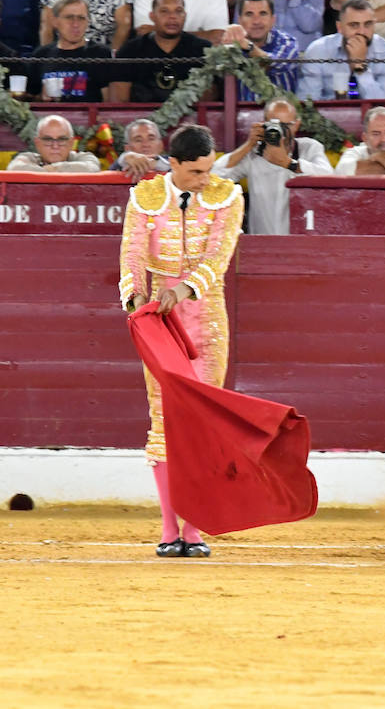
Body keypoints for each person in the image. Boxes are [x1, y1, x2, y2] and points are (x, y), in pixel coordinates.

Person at [119, 123, 245, 558]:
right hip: (161, 323)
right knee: (165, 423)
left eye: (209, 170)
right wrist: (137, 302)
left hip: (206, 319)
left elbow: (218, 258)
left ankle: (193, 531)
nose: (205, 180)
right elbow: (132, 256)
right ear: (173, 164)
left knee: (202, 425)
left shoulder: (228, 196)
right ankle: (169, 530)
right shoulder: (146, 197)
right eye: (195, 172)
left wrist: (184, 289)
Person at [212, 98, 334, 233]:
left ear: (297, 125)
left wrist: (288, 163)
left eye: (285, 125)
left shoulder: (308, 147)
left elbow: (329, 178)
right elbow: (215, 176)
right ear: (264, 124)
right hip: (262, 241)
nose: (279, 131)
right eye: (274, 125)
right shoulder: (254, 154)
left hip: (300, 241)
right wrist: (248, 145)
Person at [114, 0, 212, 103]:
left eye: (178, 11)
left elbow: (209, 100)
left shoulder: (203, 50)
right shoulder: (130, 50)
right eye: (164, 11)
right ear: (152, 16)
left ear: (185, 16)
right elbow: (119, 101)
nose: (172, 17)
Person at [298, 0, 385, 101]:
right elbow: (308, 102)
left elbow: (383, 107)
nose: (362, 32)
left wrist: (360, 66)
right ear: (339, 27)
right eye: (354, 25)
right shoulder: (318, 51)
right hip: (327, 117)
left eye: (368, 24)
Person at [29, 0, 114, 101]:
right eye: (69, 17)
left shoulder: (101, 54)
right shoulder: (41, 55)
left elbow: (109, 104)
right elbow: (30, 100)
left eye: (81, 18)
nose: (75, 24)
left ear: (88, 22)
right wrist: (41, 98)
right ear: (55, 22)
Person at [220, 0, 300, 102]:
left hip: (282, 115)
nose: (256, 21)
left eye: (263, 14)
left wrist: (248, 47)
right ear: (240, 20)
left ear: (273, 20)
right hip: (240, 116)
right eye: (249, 14)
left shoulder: (287, 42)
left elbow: (271, 63)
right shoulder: (231, 46)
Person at [7, 113, 101, 172]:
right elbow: (14, 168)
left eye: (62, 139)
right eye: (48, 139)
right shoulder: (28, 158)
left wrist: (53, 169)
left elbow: (92, 167)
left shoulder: (84, 157)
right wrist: (50, 171)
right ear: (37, 143)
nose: (55, 145)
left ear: (71, 143)